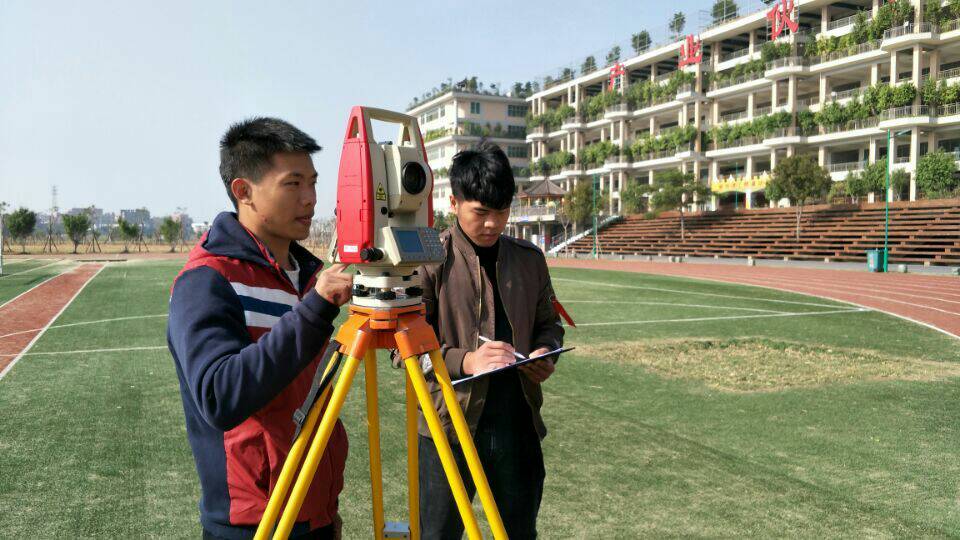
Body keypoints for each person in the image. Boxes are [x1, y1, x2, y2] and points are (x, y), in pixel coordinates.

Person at [167, 117, 353, 539]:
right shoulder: (207, 280)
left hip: (315, 512)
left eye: (313, 183)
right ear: (243, 191)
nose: (310, 198)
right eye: (292, 184)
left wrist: (326, 511)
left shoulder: (305, 273)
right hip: (253, 522)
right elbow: (219, 395)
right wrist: (314, 310)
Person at [416, 141, 565, 539]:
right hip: (448, 428)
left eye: (501, 212)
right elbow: (403, 349)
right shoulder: (428, 260)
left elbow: (550, 325)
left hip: (518, 425)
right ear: (454, 202)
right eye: (481, 212)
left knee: (519, 532)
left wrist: (546, 352)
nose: (492, 224)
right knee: (438, 534)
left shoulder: (530, 259)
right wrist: (466, 361)